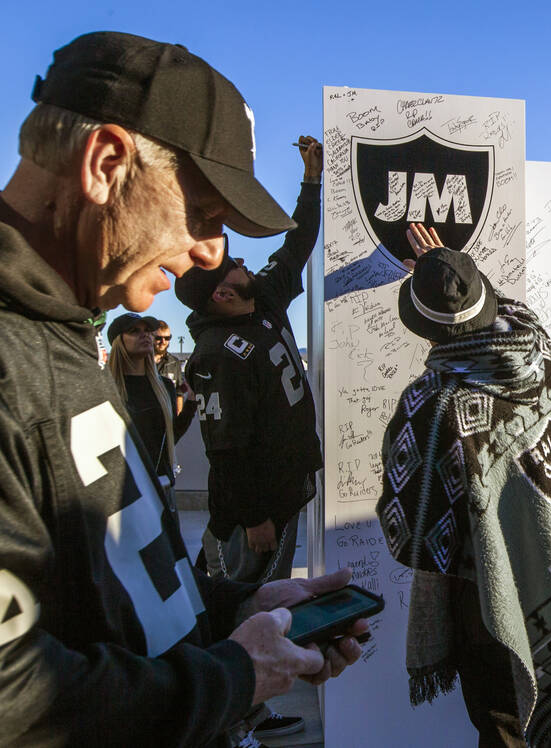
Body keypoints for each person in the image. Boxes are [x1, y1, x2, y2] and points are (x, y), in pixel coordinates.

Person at [0, 31, 366, 748]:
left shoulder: (63, 328)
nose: (212, 253)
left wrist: (237, 607)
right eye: (203, 215)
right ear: (106, 163)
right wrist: (232, 676)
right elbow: (15, 693)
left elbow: (110, 593)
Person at [376, 224, 551, 748]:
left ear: (422, 328)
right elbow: (505, 312)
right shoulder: (538, 348)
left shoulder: (432, 404)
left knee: (506, 716)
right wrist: (455, 275)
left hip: (493, 596)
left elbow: (409, 534)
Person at [175, 134, 324, 738]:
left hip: (284, 491)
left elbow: (298, 244)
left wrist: (311, 181)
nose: (246, 265)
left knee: (270, 598)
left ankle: (251, 708)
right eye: (235, 267)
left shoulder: (262, 301)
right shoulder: (214, 354)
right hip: (256, 509)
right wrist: (256, 515)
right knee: (248, 606)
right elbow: (224, 447)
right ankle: (233, 714)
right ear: (221, 293)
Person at [106, 312, 197, 487]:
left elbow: (170, 435)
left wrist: (191, 404)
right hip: (123, 486)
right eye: (134, 331)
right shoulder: (106, 387)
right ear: (118, 341)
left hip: (159, 481)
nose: (145, 335)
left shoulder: (165, 386)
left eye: (148, 330)